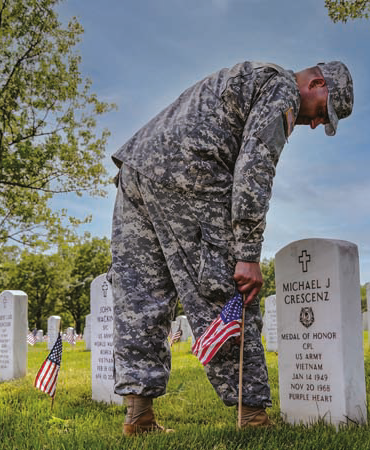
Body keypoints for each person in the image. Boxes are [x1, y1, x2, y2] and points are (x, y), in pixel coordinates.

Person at [108, 60, 353, 435]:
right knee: (227, 289)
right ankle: (252, 417)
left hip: (137, 169)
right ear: (317, 83)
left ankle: (138, 416)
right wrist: (248, 254)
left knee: (140, 296)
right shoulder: (281, 88)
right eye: (324, 112)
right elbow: (255, 169)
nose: (318, 124)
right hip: (189, 175)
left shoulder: (252, 74)